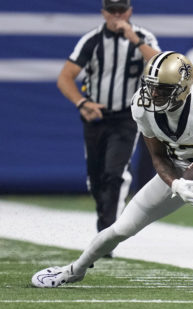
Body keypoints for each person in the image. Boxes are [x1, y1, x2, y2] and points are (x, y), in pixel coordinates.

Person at [31, 52, 193, 291]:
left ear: (182, 88)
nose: (154, 93)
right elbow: (158, 157)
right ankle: (74, 270)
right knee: (121, 229)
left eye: (163, 88)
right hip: (177, 170)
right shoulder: (142, 104)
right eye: (151, 86)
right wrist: (177, 185)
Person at [57, 0, 160, 237]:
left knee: (115, 174)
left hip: (126, 116)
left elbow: (160, 65)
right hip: (96, 116)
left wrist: (134, 39)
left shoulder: (143, 37)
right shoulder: (91, 41)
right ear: (103, 13)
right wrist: (82, 103)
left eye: (121, 10)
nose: (117, 15)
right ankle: (106, 223)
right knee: (96, 179)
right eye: (112, 10)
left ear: (130, 11)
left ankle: (107, 235)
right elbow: (65, 77)